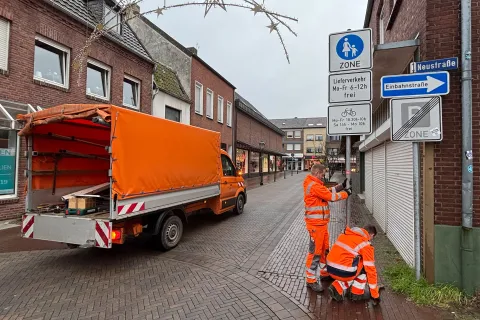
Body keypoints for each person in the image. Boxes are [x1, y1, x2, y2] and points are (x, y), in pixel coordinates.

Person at [304, 164, 351, 292]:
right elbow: (330, 197)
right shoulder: (314, 186)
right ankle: (310, 279)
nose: (323, 175)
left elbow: (326, 192)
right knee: (315, 253)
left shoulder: (315, 184)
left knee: (325, 249)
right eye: (322, 173)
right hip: (315, 225)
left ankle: (324, 273)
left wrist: (341, 186)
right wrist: (345, 193)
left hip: (321, 224)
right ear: (318, 173)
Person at [326, 224, 381, 304]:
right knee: (364, 267)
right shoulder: (365, 244)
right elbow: (371, 271)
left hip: (330, 268)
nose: (371, 239)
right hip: (343, 272)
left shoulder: (345, 234)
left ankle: (336, 286)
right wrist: (375, 295)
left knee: (354, 264)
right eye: (372, 237)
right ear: (371, 234)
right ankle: (356, 293)